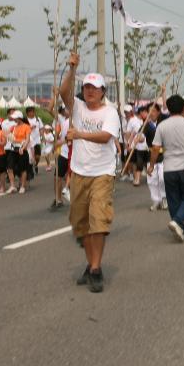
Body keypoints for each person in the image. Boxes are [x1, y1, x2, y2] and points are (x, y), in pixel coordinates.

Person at [59, 52, 122, 292]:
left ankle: (96, 269)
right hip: (79, 172)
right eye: (86, 87)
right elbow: (63, 92)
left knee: (99, 222)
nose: (90, 91)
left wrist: (80, 134)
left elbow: (105, 136)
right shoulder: (78, 108)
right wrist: (72, 70)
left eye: (94, 88)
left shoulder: (110, 112)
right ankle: (90, 263)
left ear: (103, 91)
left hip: (102, 173)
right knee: (81, 224)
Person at [148, 94, 184, 241]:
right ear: (183, 108)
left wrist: (151, 165)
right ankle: (177, 221)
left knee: (173, 199)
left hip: (168, 168)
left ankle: (179, 227)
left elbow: (155, 148)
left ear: (167, 108)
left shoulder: (162, 125)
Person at [142, 102, 167, 211]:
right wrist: (139, 138)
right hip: (150, 155)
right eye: (149, 111)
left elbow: (166, 108)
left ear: (158, 112)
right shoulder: (146, 125)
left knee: (162, 178)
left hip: (164, 155)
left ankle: (164, 198)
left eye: (153, 111)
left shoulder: (163, 122)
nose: (151, 113)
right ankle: (156, 201)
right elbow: (142, 136)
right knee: (152, 180)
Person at [9, 110, 33, 193]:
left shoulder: (26, 126)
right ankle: (12, 186)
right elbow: (12, 138)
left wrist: (23, 148)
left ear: (20, 118)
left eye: (15, 118)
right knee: (10, 167)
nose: (14, 119)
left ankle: (22, 186)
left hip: (22, 150)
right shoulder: (14, 127)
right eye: (14, 118)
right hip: (14, 149)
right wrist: (10, 137)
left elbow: (27, 139)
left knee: (23, 169)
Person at [123, 104, 147, 188]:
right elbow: (129, 134)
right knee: (136, 162)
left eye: (128, 112)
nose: (126, 113)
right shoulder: (132, 121)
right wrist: (128, 144)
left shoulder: (143, 120)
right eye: (125, 112)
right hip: (136, 146)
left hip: (145, 145)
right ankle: (136, 178)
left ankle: (141, 175)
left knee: (143, 162)